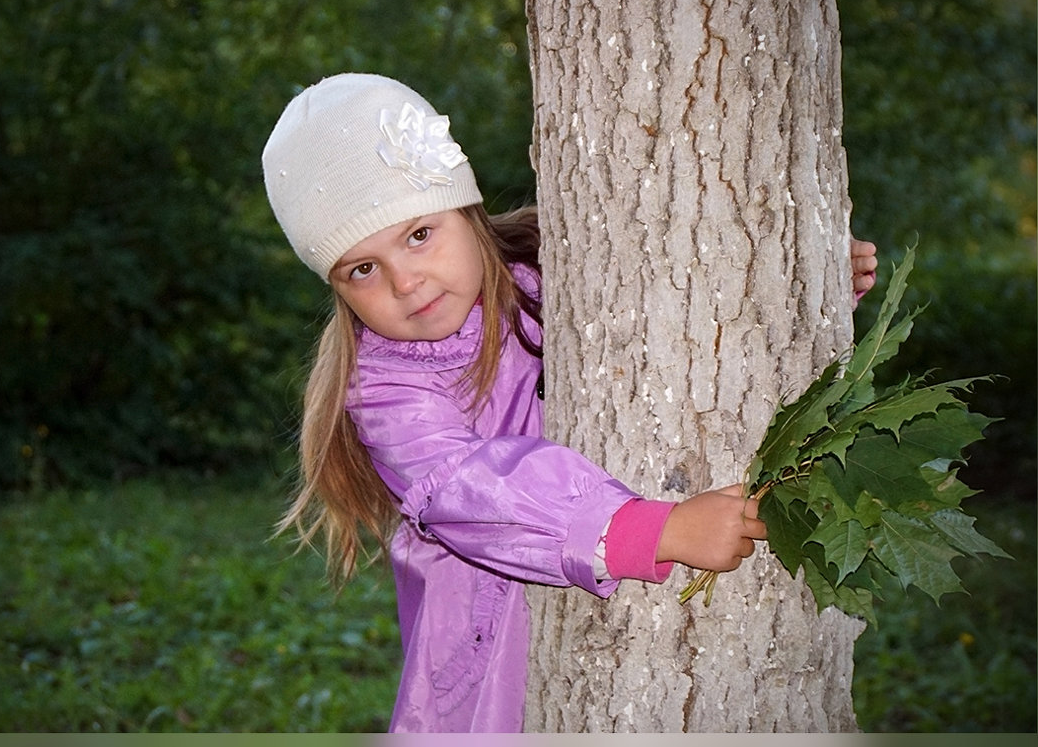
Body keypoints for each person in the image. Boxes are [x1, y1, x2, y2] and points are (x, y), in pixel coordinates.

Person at [263, 73, 877, 732]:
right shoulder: (386, 390)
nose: (404, 280)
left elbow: (684, 313)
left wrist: (799, 284)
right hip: (481, 680)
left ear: (463, 206)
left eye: (418, 234)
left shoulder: (556, 267)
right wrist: (650, 529)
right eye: (362, 269)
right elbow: (464, 490)